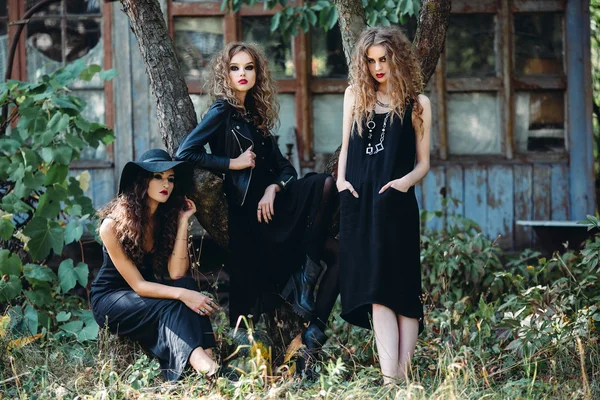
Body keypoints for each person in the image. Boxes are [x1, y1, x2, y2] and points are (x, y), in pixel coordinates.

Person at [175, 42, 339, 373]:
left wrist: (272, 188)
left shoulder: (256, 116)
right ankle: (303, 282)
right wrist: (232, 163)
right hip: (249, 216)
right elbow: (185, 152)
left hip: (272, 206)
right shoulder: (221, 112)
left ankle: (310, 305)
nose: (242, 74)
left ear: (257, 72)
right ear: (225, 73)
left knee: (327, 193)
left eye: (249, 67)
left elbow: (286, 170)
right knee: (324, 190)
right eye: (235, 68)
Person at [336, 26, 432, 383]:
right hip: (359, 204)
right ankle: (391, 380)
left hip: (396, 205)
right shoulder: (354, 96)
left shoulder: (418, 104)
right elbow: (345, 147)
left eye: (384, 59)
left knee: (403, 291)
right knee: (375, 291)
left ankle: (402, 379)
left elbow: (423, 162)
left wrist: (404, 183)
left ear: (397, 59)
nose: (378, 67)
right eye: (371, 61)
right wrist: (342, 183)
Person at [90, 149, 220, 381]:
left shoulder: (164, 218)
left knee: (186, 285)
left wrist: (182, 221)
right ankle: (206, 367)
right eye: (157, 176)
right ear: (142, 181)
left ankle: (209, 362)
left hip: (145, 292)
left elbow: (177, 272)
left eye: (170, 179)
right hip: (112, 299)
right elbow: (139, 285)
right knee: (177, 300)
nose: (166, 184)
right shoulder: (111, 226)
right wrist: (183, 295)